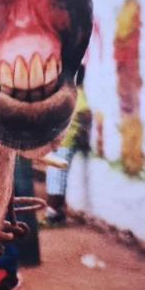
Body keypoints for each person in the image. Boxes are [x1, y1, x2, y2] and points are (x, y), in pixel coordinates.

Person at [44, 67, 93, 225]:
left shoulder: (74, 96)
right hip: (63, 143)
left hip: (64, 144)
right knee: (56, 177)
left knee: (56, 177)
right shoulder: (76, 95)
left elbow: (83, 116)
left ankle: (54, 213)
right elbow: (84, 117)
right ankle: (54, 212)